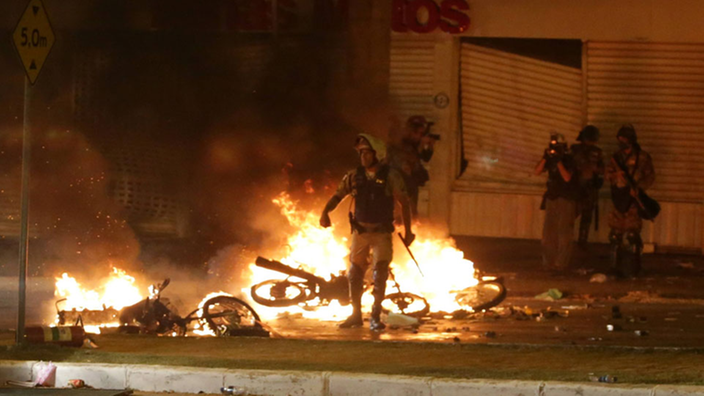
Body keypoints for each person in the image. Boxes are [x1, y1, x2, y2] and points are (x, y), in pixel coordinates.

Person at [319, 133, 415, 331]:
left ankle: (375, 315)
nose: (363, 157)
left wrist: (408, 231)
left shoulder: (391, 176)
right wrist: (325, 212)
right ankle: (355, 315)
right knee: (354, 273)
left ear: (377, 154)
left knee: (380, 274)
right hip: (360, 232)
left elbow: (404, 203)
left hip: (382, 233)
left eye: (367, 153)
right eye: (361, 153)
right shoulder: (354, 175)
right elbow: (339, 195)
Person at [605, 124, 655, 278]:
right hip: (619, 199)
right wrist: (616, 176)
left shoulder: (643, 157)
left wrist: (638, 188)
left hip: (633, 199)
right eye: (619, 139)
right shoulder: (616, 157)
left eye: (624, 139)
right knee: (615, 236)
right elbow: (607, 176)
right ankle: (615, 269)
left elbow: (650, 177)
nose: (621, 141)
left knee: (632, 236)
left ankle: (634, 269)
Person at [535, 133, 580, 271]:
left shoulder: (570, 159)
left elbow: (567, 177)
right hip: (552, 197)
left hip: (566, 198)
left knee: (564, 233)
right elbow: (537, 171)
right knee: (549, 232)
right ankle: (548, 262)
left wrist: (559, 161)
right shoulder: (550, 159)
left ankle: (561, 263)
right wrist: (545, 158)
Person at [386, 116, 437, 216]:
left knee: (412, 205)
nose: (419, 136)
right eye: (418, 133)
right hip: (399, 178)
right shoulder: (400, 142)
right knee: (398, 205)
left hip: (411, 179)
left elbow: (425, 157)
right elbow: (404, 157)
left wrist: (430, 146)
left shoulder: (414, 143)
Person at [571, 125, 605, 247]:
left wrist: (598, 174)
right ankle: (566, 240)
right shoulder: (574, 150)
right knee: (571, 215)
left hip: (589, 188)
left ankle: (582, 241)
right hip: (576, 188)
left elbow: (602, 169)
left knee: (586, 217)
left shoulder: (597, 152)